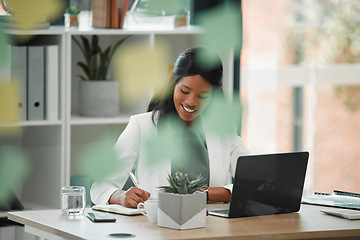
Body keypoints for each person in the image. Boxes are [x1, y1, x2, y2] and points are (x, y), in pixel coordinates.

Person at [90, 47, 250, 208]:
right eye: (184, 91)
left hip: (211, 228)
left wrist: (212, 194)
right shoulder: (141, 126)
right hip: (158, 227)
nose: (191, 102)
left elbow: (253, 183)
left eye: (202, 96)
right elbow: (100, 186)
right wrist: (121, 196)